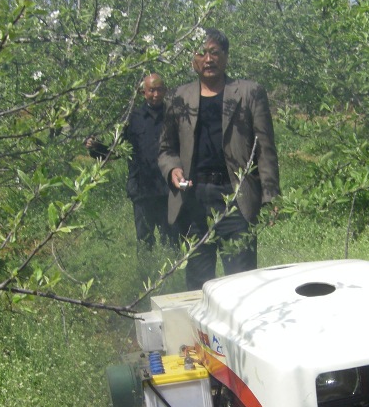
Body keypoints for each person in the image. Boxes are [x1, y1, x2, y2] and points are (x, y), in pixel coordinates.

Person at [158, 27, 280, 290]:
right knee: (198, 282)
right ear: (193, 59)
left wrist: (270, 196)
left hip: (235, 197)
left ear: (225, 56)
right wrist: (172, 170)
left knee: (242, 282)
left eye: (214, 52)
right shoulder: (178, 98)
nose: (208, 59)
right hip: (194, 200)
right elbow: (166, 148)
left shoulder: (249, 92)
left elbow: (265, 149)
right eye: (201, 53)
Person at [86, 74, 174, 251]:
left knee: (172, 242)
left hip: (168, 190)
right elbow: (116, 151)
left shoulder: (173, 116)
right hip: (142, 190)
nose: (156, 94)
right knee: (144, 242)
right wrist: (95, 147)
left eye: (159, 90)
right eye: (151, 90)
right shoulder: (132, 119)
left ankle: (175, 276)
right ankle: (146, 274)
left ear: (165, 91)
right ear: (143, 93)